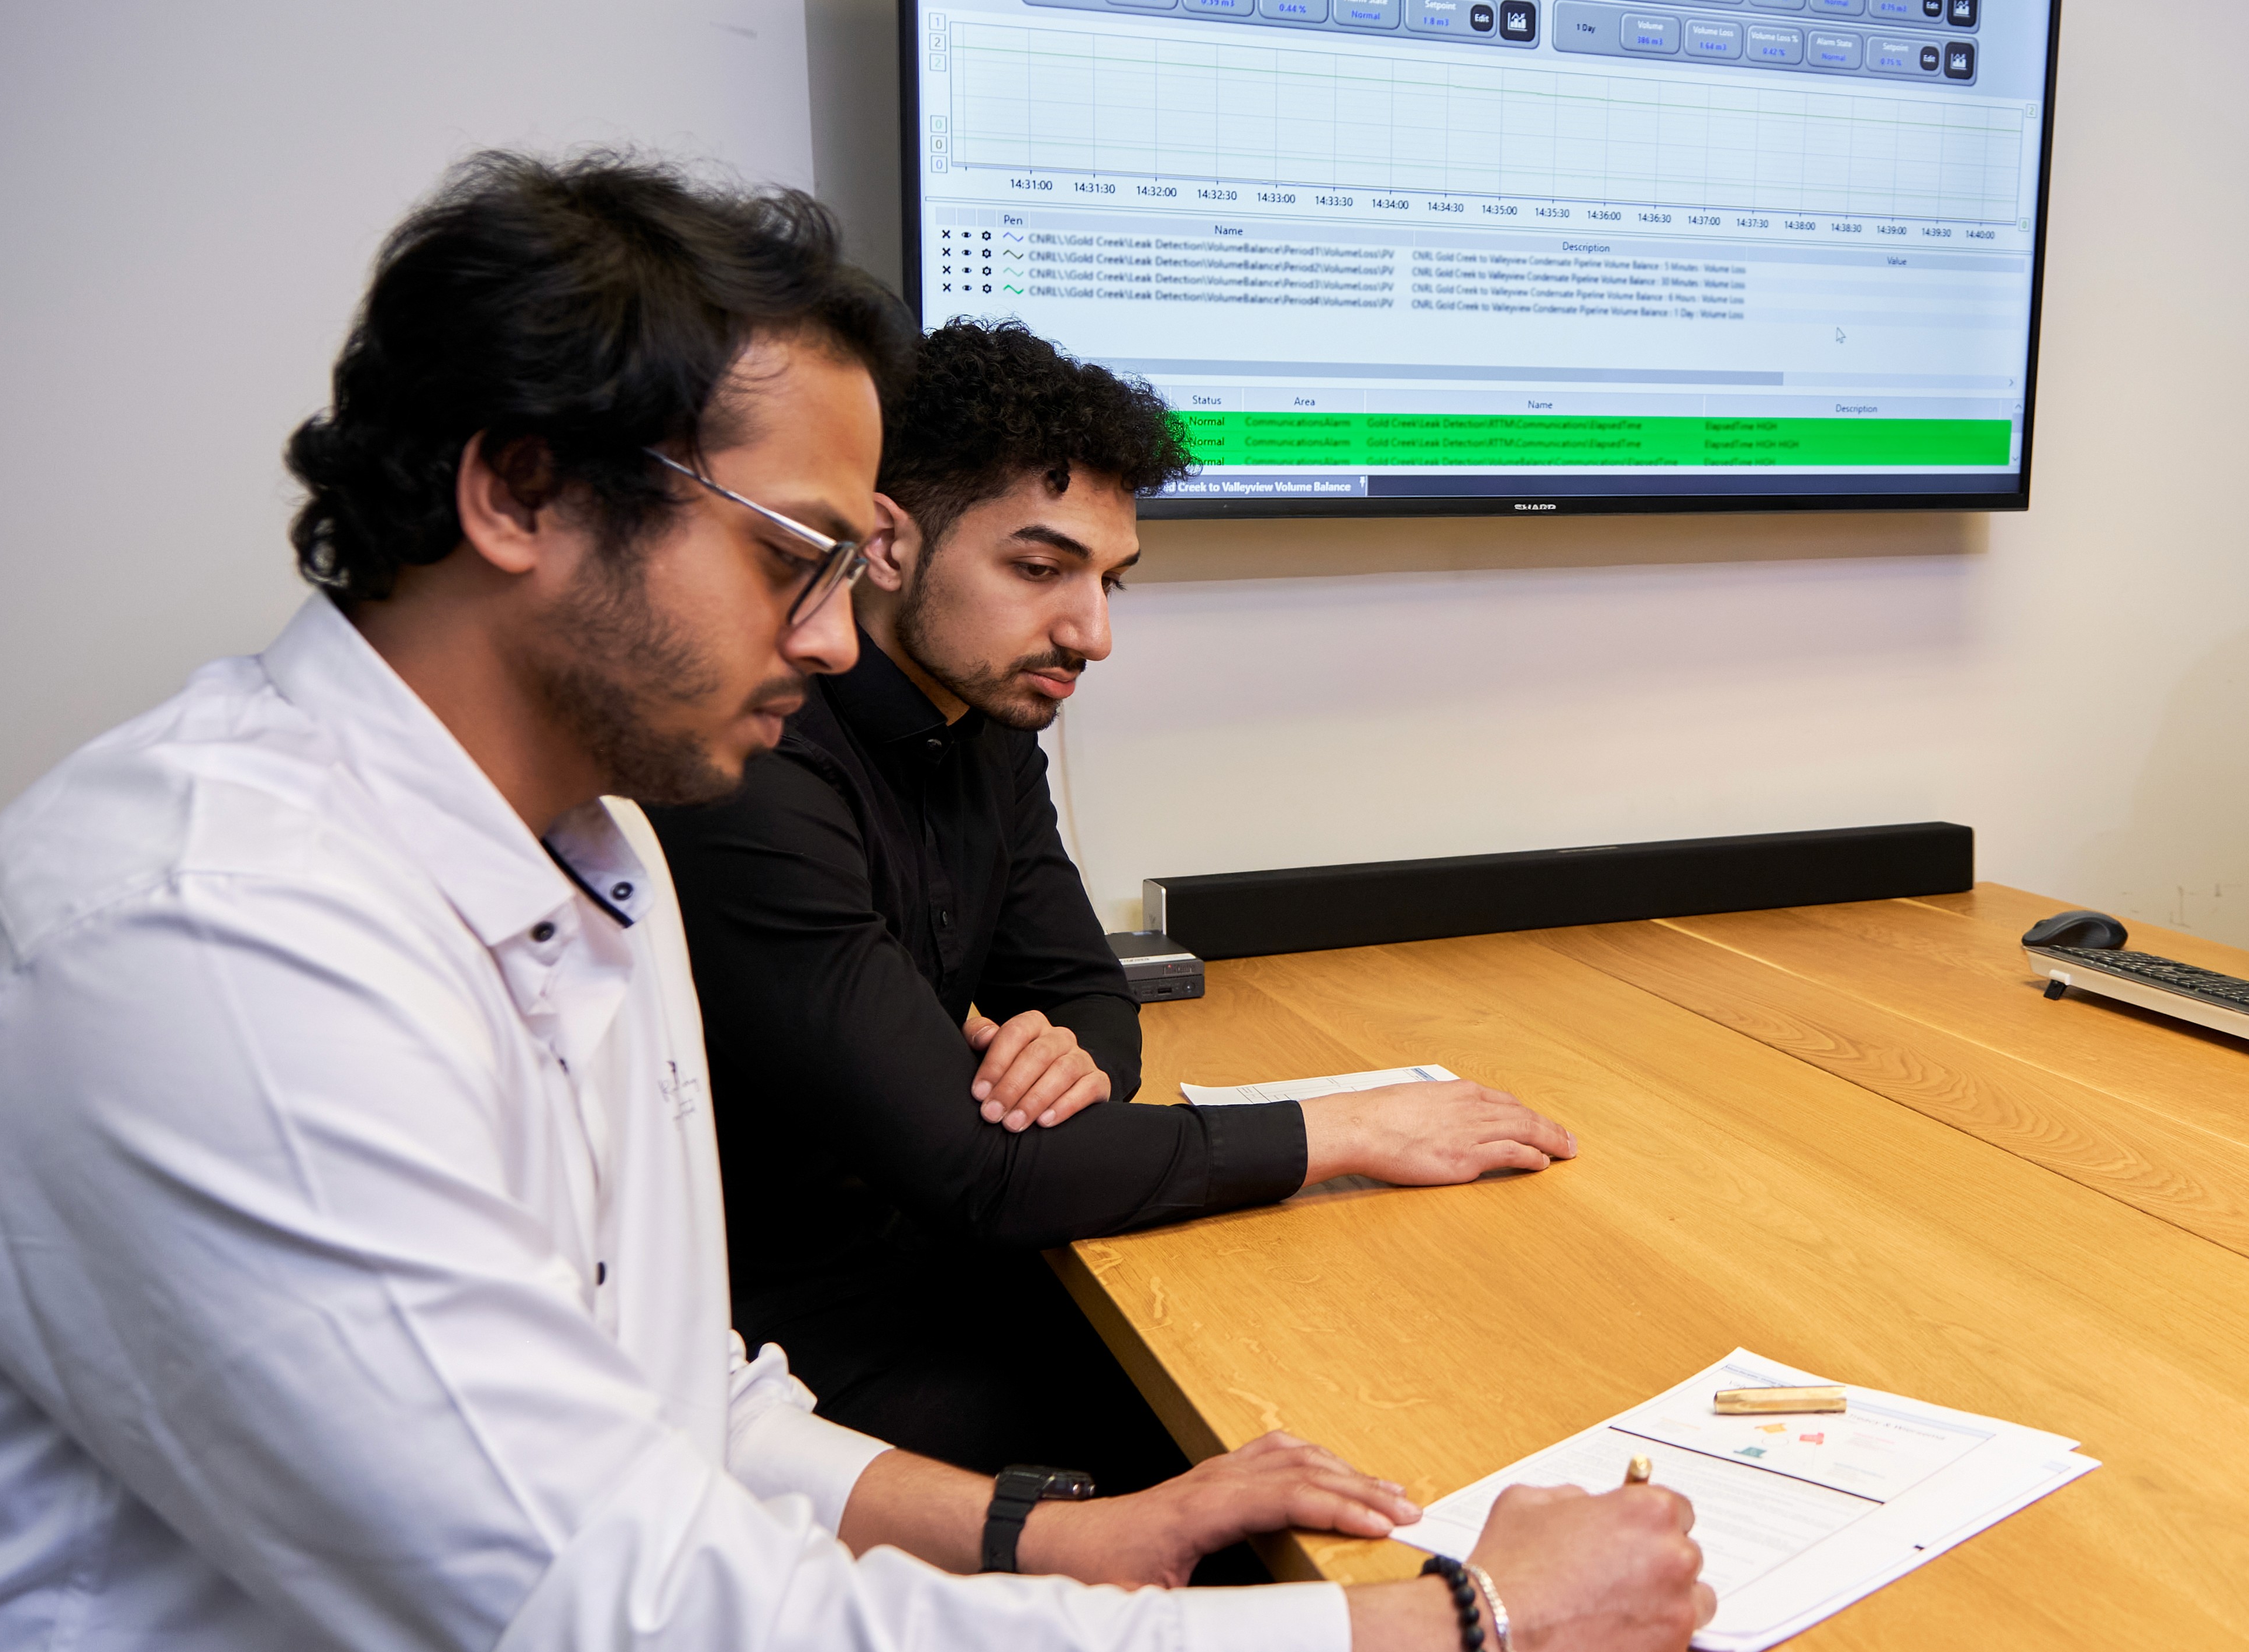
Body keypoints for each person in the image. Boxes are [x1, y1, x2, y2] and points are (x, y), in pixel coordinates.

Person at [0, 155, 1705, 1652]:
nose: (828, 630)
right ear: (517, 489)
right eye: (792, 555)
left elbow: (677, 1406)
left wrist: (1042, 1532)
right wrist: (1461, 1642)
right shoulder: (200, 934)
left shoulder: (593, 836)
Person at [648, 322, 1574, 1490]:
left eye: (1107, 579)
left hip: (968, 1267)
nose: (1092, 632)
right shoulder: (756, 759)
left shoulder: (989, 721)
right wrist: (1348, 1130)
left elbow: (1086, 990)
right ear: (886, 545)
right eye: (1041, 571)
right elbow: (978, 1172)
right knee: (1283, 1443)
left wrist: (1064, 1056)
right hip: (791, 1353)